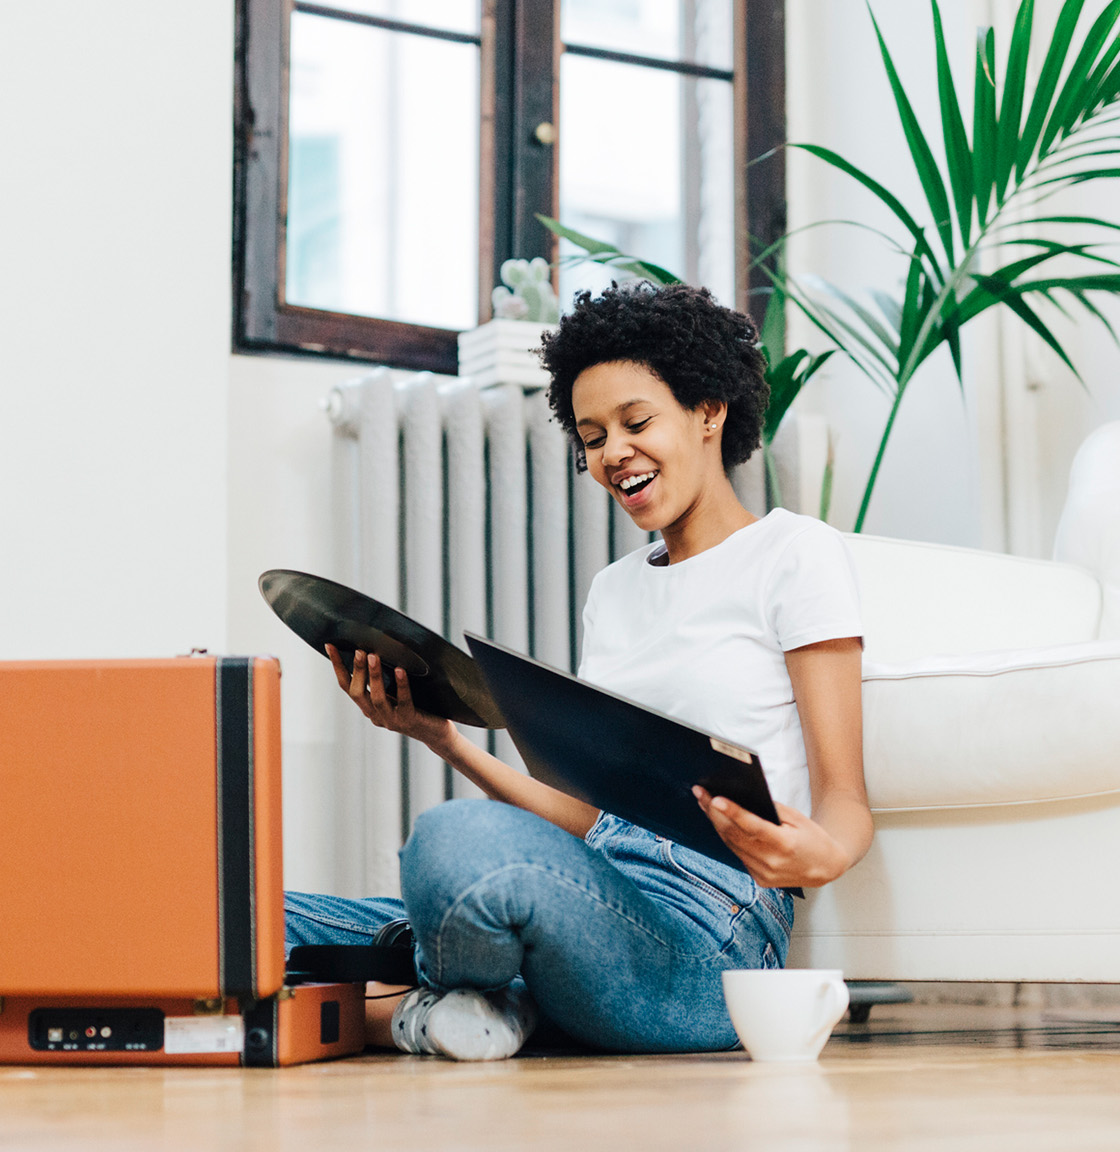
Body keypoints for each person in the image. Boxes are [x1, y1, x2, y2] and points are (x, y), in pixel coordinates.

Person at [286, 283, 872, 1059]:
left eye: (636, 422)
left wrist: (820, 855)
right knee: (252, 911)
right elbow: (592, 821)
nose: (612, 454)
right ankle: (465, 1002)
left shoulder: (795, 554)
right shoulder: (614, 592)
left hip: (709, 933)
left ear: (707, 410)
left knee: (451, 840)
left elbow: (846, 802)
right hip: (592, 894)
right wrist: (443, 740)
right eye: (593, 437)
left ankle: (421, 1000)